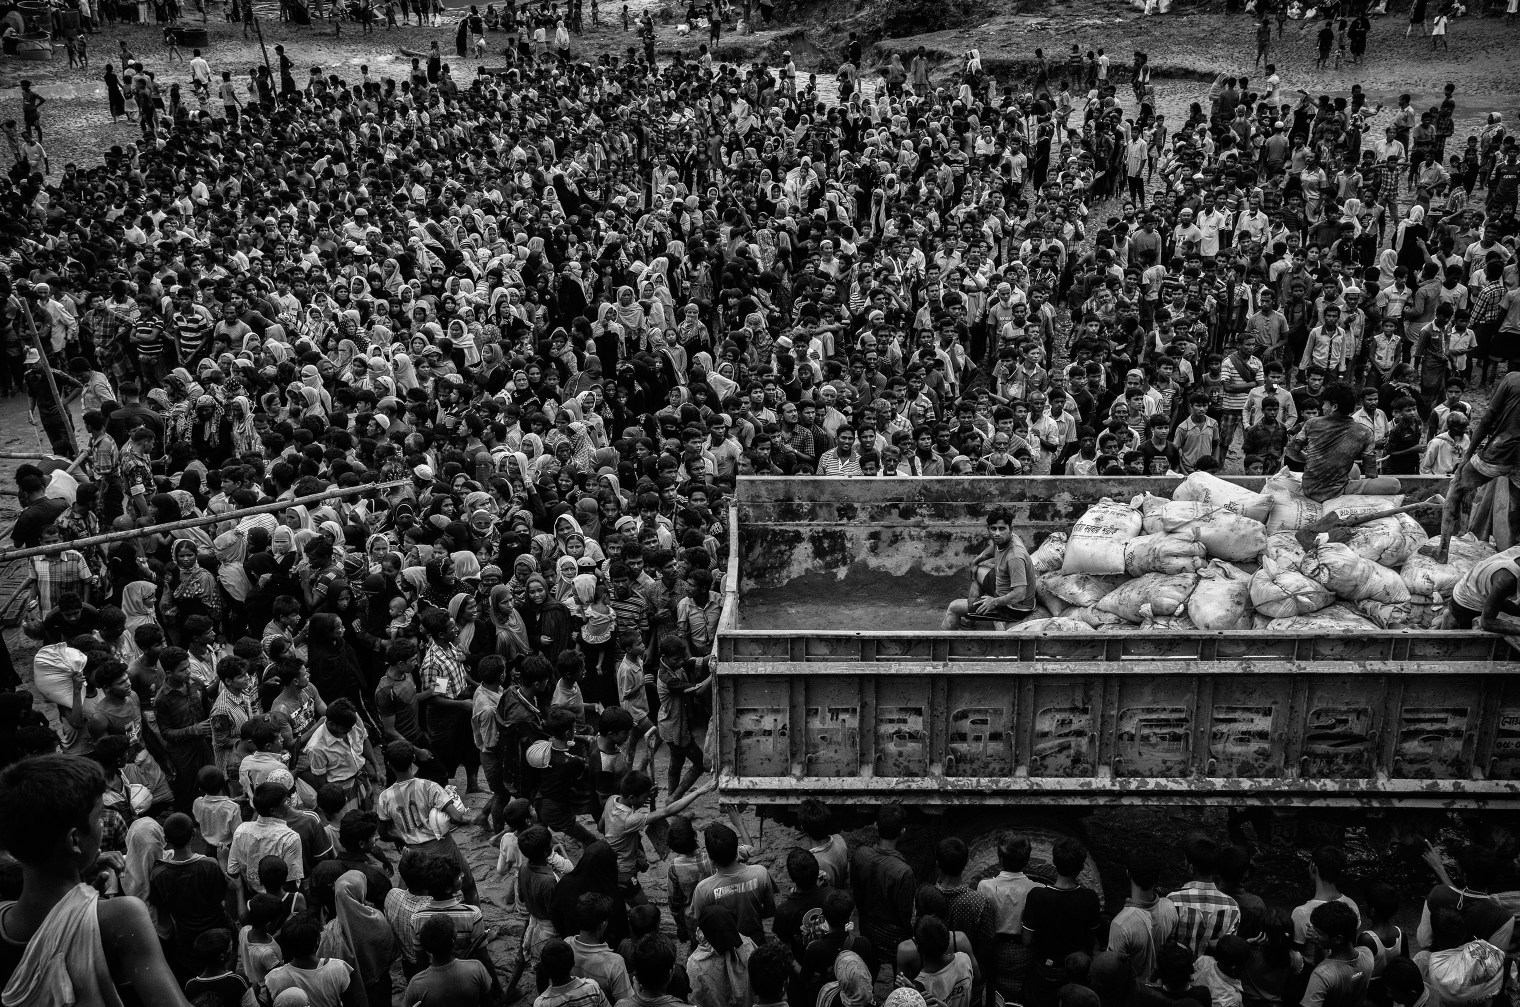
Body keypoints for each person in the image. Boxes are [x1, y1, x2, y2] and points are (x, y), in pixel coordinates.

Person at [0, 754, 192, 1007]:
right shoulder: (122, 917)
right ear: (74, 841)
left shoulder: (5, 920)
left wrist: (80, 888)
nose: (103, 824)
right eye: (99, 816)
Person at [942, 505, 1036, 629]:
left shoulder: (1015, 557)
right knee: (978, 571)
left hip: (1014, 607)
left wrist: (994, 602)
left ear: (1011, 529)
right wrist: (975, 562)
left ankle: (941, 646)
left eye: (1002, 529)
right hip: (1001, 587)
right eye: (993, 528)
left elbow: (1020, 594)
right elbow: (993, 548)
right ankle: (970, 618)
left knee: (953, 607)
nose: (997, 533)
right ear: (988, 529)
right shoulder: (1003, 539)